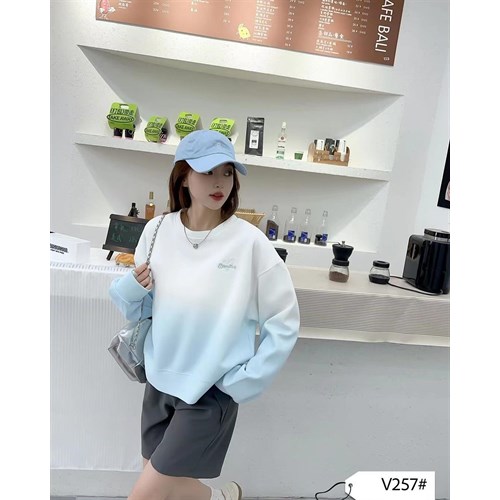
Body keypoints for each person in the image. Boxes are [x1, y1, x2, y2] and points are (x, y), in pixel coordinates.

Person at [109, 129, 300, 500]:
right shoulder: (157, 230)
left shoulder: (250, 243)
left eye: (227, 172)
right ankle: (220, 498)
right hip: (159, 381)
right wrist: (131, 288)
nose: (219, 182)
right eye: (208, 171)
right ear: (183, 176)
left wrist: (248, 380)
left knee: (145, 495)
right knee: (163, 485)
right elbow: (141, 310)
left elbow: (284, 321)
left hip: (209, 390)